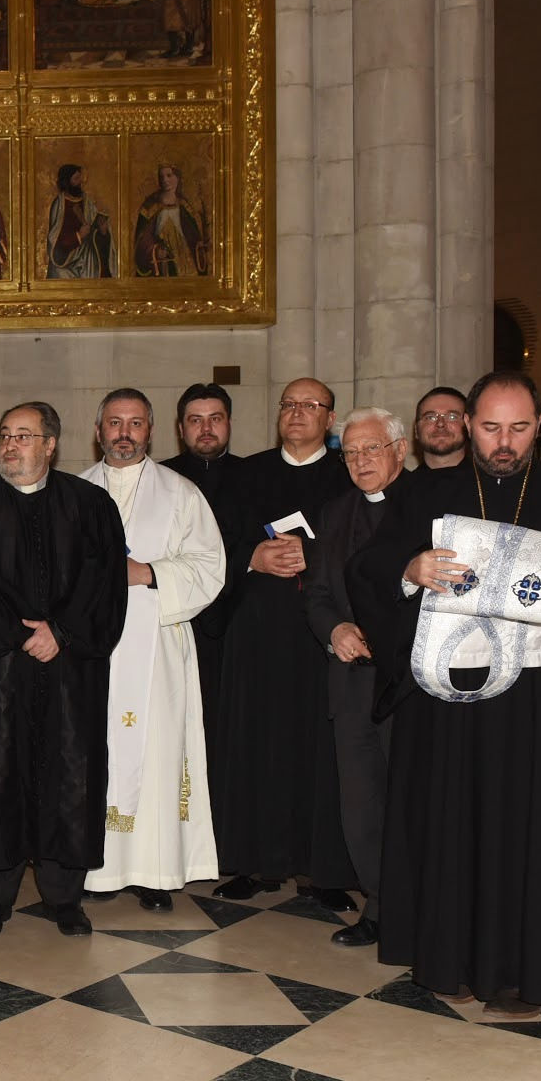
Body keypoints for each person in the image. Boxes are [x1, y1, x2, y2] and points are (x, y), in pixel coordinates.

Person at [349, 372, 541, 1014]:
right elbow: (368, 567)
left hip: (540, 709)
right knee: (451, 828)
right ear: (467, 425)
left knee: (534, 839)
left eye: (518, 429)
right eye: (490, 428)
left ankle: (530, 975)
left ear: (539, 427)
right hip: (448, 708)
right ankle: (450, 962)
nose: (504, 443)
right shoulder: (424, 495)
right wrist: (409, 570)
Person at [0, 402, 127, 936]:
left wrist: (61, 633)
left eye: (23, 436)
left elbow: (106, 582)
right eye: (5, 435)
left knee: (69, 773)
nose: (10, 445)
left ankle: (64, 895)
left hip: (70, 669)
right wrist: (19, 634)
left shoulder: (91, 505)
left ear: (51, 445)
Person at [212, 379, 355, 906]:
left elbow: (365, 546)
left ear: (330, 418)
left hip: (319, 636)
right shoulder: (247, 474)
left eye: (310, 406)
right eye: (289, 405)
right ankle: (254, 862)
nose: (297, 413)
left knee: (319, 749)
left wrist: (311, 560)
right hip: (256, 633)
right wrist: (252, 556)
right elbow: (211, 543)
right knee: (256, 744)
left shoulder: (348, 476)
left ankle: (324, 871)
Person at [79, 391, 224, 910]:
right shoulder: (75, 491)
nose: (124, 432)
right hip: (91, 654)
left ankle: (153, 872)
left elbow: (211, 565)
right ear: (98, 431)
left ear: (151, 431)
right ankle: (96, 870)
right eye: (114, 423)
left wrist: (149, 573)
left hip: (158, 648)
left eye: (135, 423)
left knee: (158, 754)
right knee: (93, 753)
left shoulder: (180, 493)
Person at [303, 407, 408, 948]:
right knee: (361, 805)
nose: (361, 461)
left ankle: (415, 910)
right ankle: (379, 908)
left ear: (400, 450)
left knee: (410, 804)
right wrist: (335, 629)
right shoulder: (335, 511)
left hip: (410, 686)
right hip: (350, 686)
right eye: (351, 453)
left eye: (372, 449)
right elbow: (317, 595)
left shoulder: (429, 506)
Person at [164, 382, 242, 766]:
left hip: (241, 629)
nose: (206, 428)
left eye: (215, 419)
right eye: (195, 420)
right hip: (179, 626)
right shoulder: (158, 480)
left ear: (229, 424)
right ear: (180, 428)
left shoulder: (255, 476)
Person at [134, 163, 208, 276]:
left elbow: (194, 237)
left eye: (169, 175)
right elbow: (141, 241)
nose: (165, 180)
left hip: (187, 265)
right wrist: (155, 251)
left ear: (177, 178)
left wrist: (200, 246)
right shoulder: (149, 207)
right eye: (161, 177)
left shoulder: (185, 207)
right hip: (163, 266)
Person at [45, 163, 112, 279]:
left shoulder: (87, 202)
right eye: (76, 179)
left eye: (80, 178)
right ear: (67, 181)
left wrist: (102, 230)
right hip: (64, 263)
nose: (80, 182)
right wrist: (78, 236)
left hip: (85, 260)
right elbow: (54, 238)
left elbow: (94, 229)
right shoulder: (59, 204)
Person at [413, 385, 467, 470]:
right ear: (416, 430)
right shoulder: (404, 483)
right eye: (430, 417)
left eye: (452, 417)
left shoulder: (491, 482)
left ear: (469, 426)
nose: (440, 424)